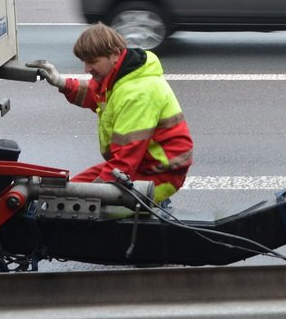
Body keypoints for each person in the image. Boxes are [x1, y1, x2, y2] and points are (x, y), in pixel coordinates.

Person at [26, 23, 192, 204]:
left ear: (114, 54)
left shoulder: (137, 94)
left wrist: (89, 198)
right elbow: (96, 94)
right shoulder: (121, 76)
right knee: (67, 192)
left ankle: (155, 208)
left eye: (92, 62)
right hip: (144, 164)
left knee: (78, 206)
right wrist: (62, 83)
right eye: (84, 62)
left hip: (159, 174)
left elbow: (125, 162)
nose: (86, 69)